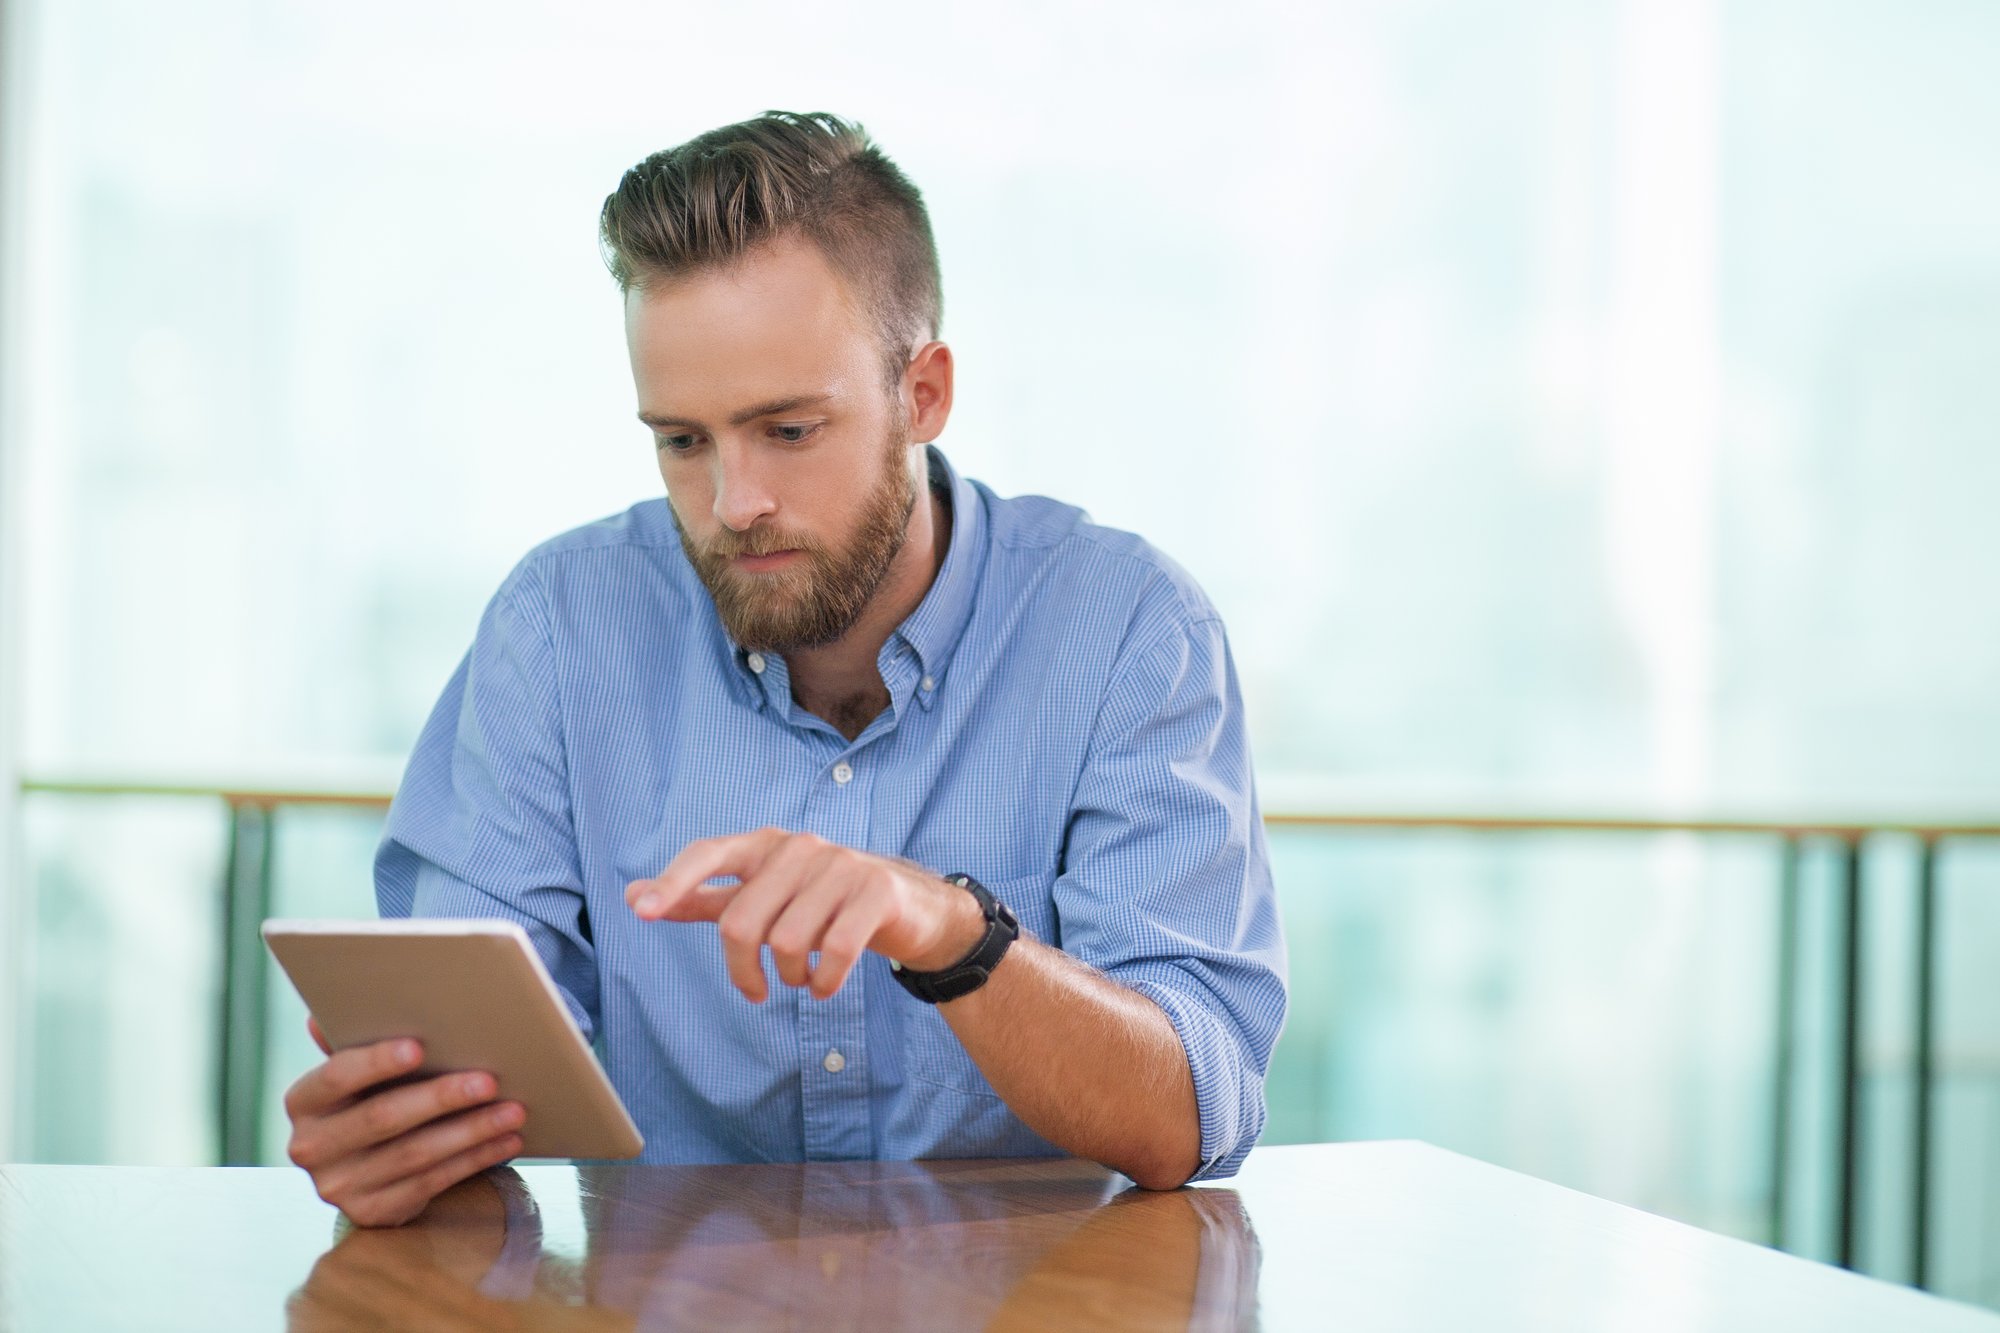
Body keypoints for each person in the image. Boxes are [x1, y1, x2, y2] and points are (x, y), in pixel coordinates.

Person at [281, 111, 1287, 1228]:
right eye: (683, 440)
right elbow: (468, 1061)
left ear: (924, 394)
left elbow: (1188, 1115)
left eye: (789, 431)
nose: (732, 502)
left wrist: (950, 931)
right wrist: (398, 1137)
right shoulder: (561, 628)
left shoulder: (1126, 631)